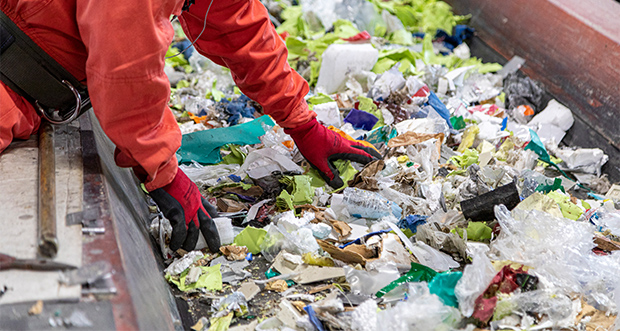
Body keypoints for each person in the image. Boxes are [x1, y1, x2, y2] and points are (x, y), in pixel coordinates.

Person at [0, 0, 380, 252]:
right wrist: (163, 170)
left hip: (27, 93)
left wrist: (302, 122)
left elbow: (238, 25)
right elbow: (126, 60)